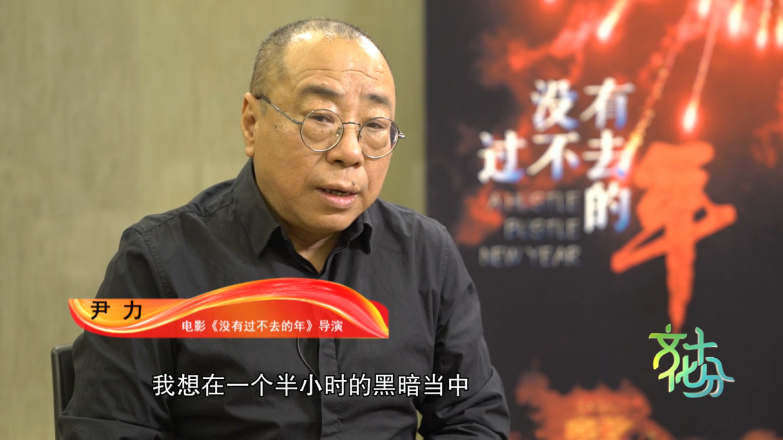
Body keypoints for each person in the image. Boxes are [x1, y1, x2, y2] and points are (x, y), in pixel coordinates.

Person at [58, 18, 510, 439]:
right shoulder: (158, 262)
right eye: (321, 119)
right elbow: (110, 430)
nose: (351, 152)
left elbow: (474, 419)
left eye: (374, 125)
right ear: (251, 123)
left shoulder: (425, 254)